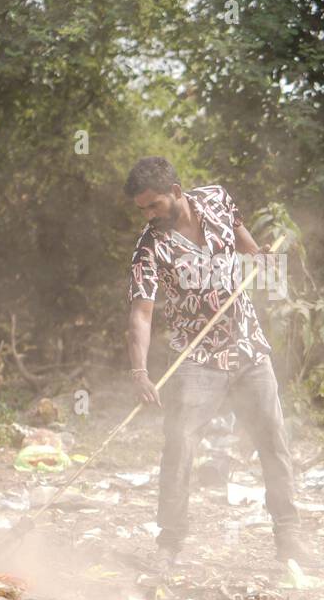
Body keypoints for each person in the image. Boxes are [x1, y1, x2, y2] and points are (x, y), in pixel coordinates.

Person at [125, 156, 303, 563]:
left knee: (272, 439)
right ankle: (169, 544)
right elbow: (141, 312)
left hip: (247, 345)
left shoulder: (217, 200)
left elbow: (244, 238)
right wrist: (139, 371)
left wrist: (259, 256)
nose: (150, 216)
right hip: (195, 355)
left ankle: (289, 537)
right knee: (180, 443)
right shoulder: (149, 249)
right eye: (143, 210)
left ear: (175, 192)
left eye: (154, 205)